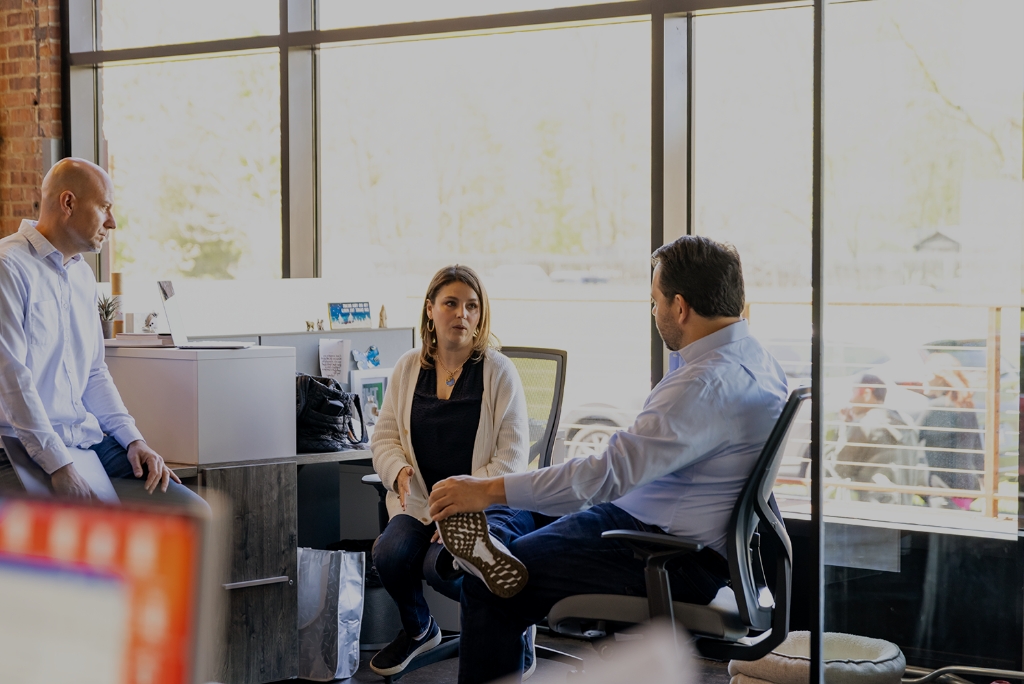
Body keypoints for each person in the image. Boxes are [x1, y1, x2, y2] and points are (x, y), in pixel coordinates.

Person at [426, 236, 790, 684]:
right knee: (517, 505)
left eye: (654, 302)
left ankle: (487, 553)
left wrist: (482, 489)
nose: (653, 312)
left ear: (679, 307)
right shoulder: (758, 360)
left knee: (490, 589)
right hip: (669, 529)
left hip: (656, 550)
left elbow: (605, 476)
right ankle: (493, 542)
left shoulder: (703, 384)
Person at [0, 158, 204, 508]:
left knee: (189, 512)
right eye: (105, 208)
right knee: (83, 546)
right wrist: (58, 465)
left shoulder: (81, 276)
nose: (112, 222)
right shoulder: (9, 267)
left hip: (87, 442)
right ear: (68, 203)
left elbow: (94, 372)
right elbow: (11, 378)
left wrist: (133, 441)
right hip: (22, 447)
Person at [369, 264, 537, 678]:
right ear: (430, 310)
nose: (462, 314)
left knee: (442, 566)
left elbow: (513, 455)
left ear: (481, 316)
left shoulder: (498, 372)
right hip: (423, 502)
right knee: (388, 554)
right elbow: (384, 437)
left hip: (481, 504)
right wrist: (399, 470)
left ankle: (513, 626)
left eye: (472, 306)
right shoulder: (408, 368)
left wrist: (463, 501)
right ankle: (420, 629)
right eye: (451, 304)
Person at [832, 373, 926, 505]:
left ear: (866, 393)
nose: (851, 400)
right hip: (904, 507)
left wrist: (845, 426)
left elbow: (842, 469)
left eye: (853, 393)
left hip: (874, 510)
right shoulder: (906, 421)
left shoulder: (865, 425)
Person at [918, 354, 983, 510]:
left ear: (941, 377)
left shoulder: (938, 407)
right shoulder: (965, 406)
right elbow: (978, 452)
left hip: (943, 492)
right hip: (965, 489)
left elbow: (909, 441)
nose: (923, 379)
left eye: (927, 374)